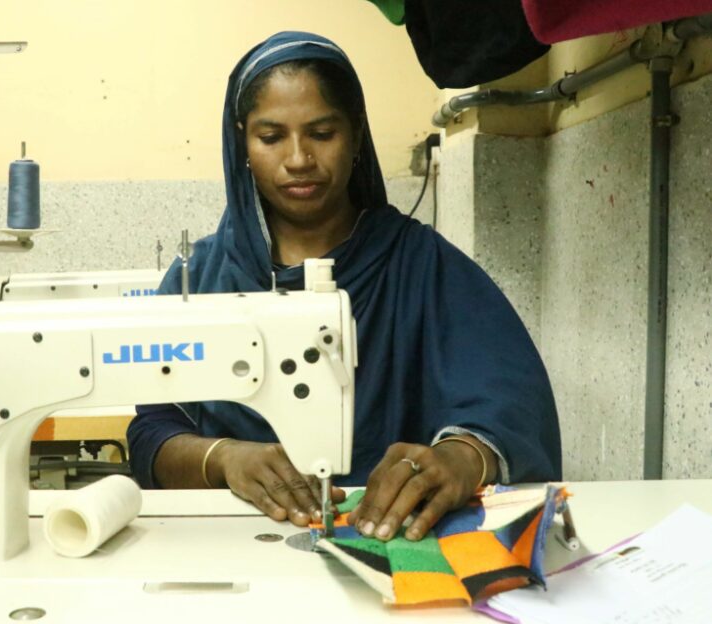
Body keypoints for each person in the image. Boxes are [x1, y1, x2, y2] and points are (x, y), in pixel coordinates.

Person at [127, 31, 561, 543]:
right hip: (233, 542)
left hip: (392, 536)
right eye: (271, 137)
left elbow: (512, 410)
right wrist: (223, 459)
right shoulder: (197, 279)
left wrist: (459, 459)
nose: (298, 159)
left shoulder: (421, 266)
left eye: (322, 133)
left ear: (356, 135)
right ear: (241, 141)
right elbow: (153, 433)